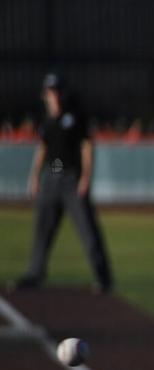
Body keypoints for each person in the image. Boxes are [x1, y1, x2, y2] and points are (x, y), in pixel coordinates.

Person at [10, 74, 113, 294]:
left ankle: (102, 278)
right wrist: (35, 175)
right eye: (48, 92)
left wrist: (86, 176)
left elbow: (86, 146)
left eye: (54, 91)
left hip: (71, 179)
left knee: (87, 231)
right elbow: (43, 148)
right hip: (52, 176)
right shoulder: (47, 120)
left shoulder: (74, 117)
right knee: (42, 230)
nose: (52, 96)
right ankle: (34, 274)